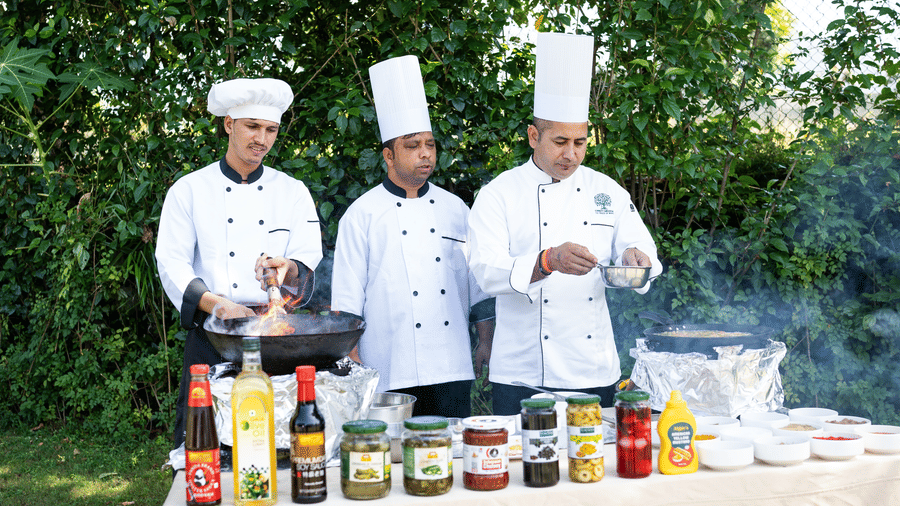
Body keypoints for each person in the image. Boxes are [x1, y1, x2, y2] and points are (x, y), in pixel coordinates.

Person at [467, 32, 662, 415]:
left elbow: (644, 255)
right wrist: (547, 261)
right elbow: (484, 270)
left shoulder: (606, 191)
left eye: (580, 142)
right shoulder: (499, 194)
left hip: (592, 367)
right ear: (533, 136)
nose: (571, 155)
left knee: (595, 469)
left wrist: (635, 257)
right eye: (559, 142)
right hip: (521, 372)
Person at [156, 78, 323, 448]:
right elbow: (171, 262)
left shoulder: (293, 192)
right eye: (252, 127)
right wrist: (217, 304)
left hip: (275, 335)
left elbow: (307, 257)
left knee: (279, 436)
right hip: (213, 334)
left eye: (271, 130)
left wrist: (287, 268)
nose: (261, 139)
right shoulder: (189, 190)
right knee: (204, 438)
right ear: (229, 124)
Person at [331, 55, 494, 418]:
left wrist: (485, 340)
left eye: (430, 144)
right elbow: (346, 298)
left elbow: (478, 283)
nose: (425, 153)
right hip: (388, 364)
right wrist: (353, 358)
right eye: (412, 145)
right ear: (388, 155)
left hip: (451, 362)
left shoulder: (457, 209)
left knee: (451, 455)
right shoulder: (362, 214)